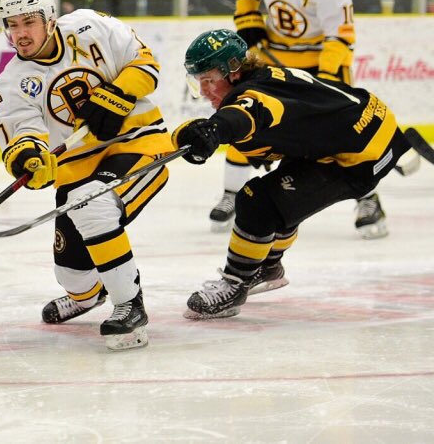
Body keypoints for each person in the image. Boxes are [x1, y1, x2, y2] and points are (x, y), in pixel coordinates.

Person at [173, 28, 411, 319]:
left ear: (232, 71)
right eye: (199, 82)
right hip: (367, 129)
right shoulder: (263, 76)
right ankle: (269, 266)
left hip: (360, 156)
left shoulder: (252, 94)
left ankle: (235, 284)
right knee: (282, 191)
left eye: (209, 80)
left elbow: (248, 112)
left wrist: (215, 128)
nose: (205, 91)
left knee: (255, 200)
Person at [0, 0, 175, 351]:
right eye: (12, 24)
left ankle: (130, 306)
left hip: (139, 143)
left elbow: (146, 62)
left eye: (28, 22)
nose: (20, 33)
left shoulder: (92, 28)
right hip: (77, 168)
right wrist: (30, 159)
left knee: (93, 203)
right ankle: (89, 297)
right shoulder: (11, 83)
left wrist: (117, 95)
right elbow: (21, 136)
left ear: (50, 18)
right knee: (71, 274)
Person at [216, 0, 389, 240]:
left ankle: (368, 200)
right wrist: (250, 27)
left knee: (342, 133)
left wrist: (327, 82)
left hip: (317, 59)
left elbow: (340, 35)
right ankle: (230, 192)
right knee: (245, 112)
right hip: (275, 57)